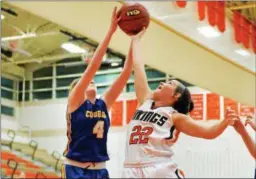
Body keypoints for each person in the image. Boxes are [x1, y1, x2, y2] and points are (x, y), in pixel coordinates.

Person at [122, 29, 239, 178]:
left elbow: (208, 133)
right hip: (130, 169)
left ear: (175, 95)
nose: (162, 82)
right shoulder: (145, 100)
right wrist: (136, 40)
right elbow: (138, 67)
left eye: (169, 83)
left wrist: (225, 122)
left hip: (158, 167)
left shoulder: (175, 117)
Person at [61, 7, 134, 179]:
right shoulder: (75, 102)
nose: (90, 82)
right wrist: (111, 31)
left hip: (100, 170)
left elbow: (126, 72)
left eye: (93, 81)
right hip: (75, 169)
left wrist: (134, 39)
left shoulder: (103, 103)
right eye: (85, 83)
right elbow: (93, 67)